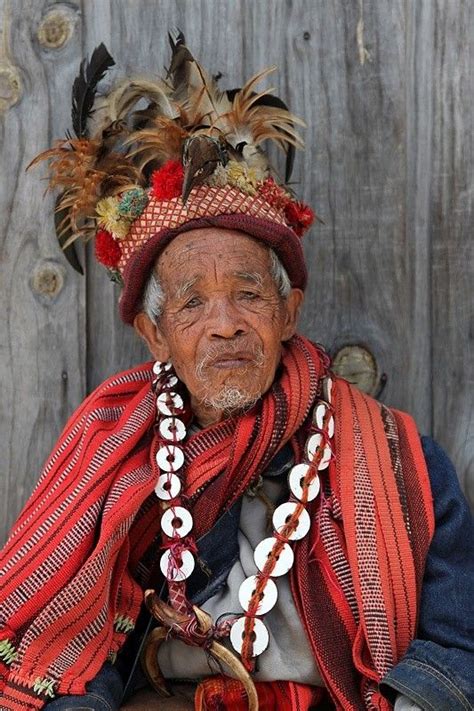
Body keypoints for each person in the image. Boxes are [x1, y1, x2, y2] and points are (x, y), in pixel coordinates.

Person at [0, 36, 472, 711]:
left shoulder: (401, 459)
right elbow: (77, 647)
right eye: (192, 302)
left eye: (248, 294)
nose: (225, 323)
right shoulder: (120, 464)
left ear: (287, 312)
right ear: (155, 334)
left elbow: (457, 640)